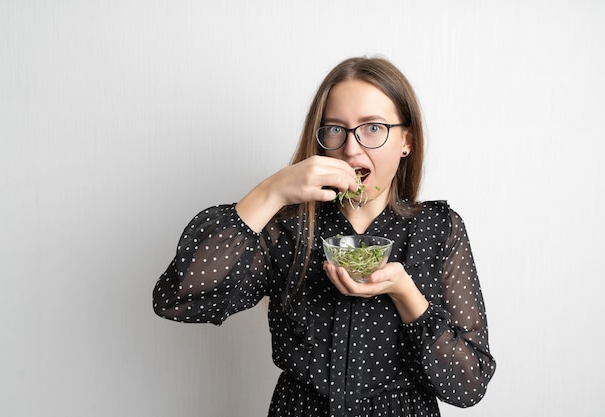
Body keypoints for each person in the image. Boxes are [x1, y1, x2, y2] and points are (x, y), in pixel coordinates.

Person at [153, 56, 496, 417]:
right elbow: (177, 299)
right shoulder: (287, 228)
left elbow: (469, 385)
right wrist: (271, 192)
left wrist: (405, 293)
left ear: (406, 141)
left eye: (373, 128)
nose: (350, 148)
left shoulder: (438, 229)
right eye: (335, 129)